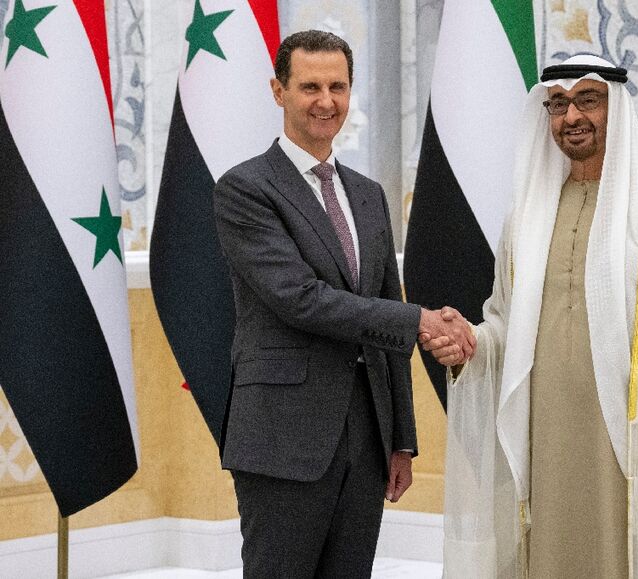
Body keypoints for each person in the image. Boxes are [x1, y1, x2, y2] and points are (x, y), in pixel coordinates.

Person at [422, 55, 638, 578]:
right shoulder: (529, 216)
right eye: (558, 104)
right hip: (548, 447)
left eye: (588, 99)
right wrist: (469, 342)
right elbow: (505, 325)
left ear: (617, 108)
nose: (571, 116)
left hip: (637, 449)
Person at [213, 30, 474, 577]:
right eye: (309, 86)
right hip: (281, 440)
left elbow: (384, 306)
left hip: (366, 441)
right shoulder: (244, 189)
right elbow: (301, 300)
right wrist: (422, 321)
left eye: (338, 86)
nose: (325, 101)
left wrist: (400, 439)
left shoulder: (367, 193)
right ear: (277, 91)